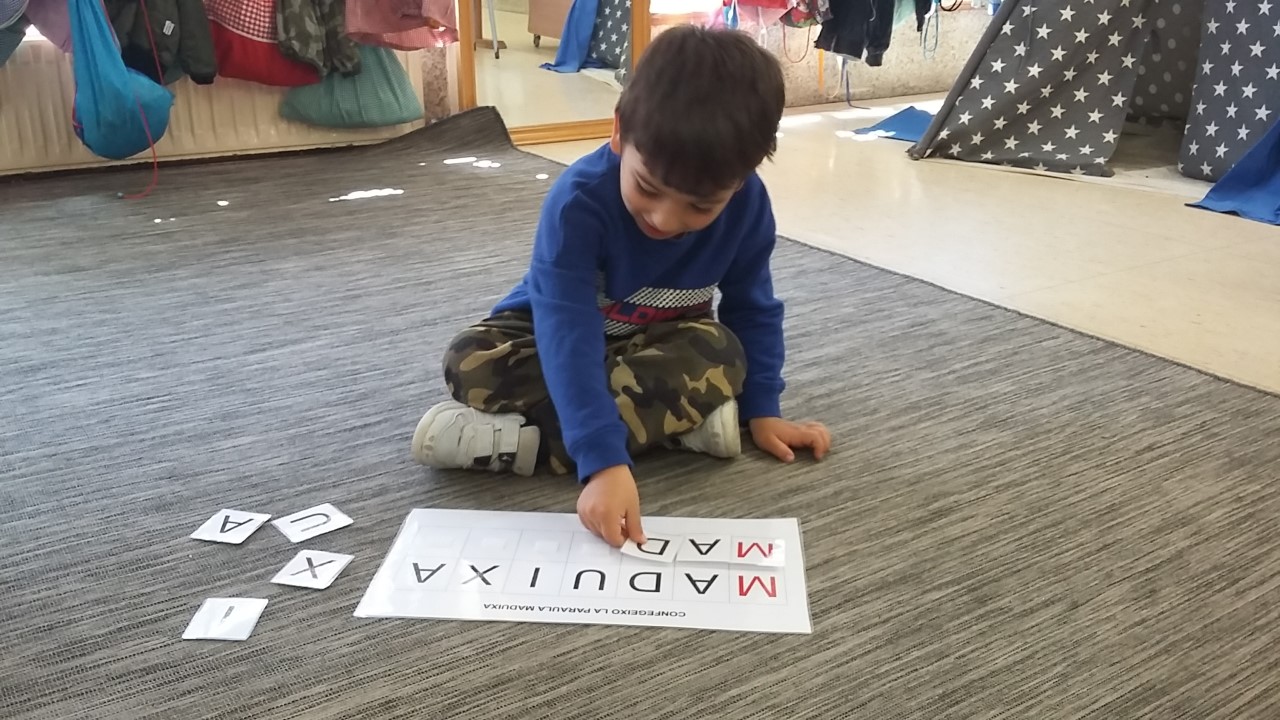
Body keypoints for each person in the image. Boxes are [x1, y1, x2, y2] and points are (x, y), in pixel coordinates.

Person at [412, 25, 832, 546]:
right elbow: (566, 328)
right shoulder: (578, 202)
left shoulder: (748, 207)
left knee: (724, 353)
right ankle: (674, 424)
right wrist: (603, 461)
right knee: (470, 360)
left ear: (742, 178)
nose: (665, 219)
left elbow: (753, 307)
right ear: (618, 131)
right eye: (647, 187)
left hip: (660, 344)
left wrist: (763, 409)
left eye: (701, 206)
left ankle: (524, 443)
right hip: (551, 332)